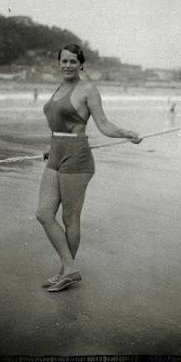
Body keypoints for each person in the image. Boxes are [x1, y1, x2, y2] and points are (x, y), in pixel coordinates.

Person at [36, 44, 142, 292]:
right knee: (43, 213)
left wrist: (127, 133)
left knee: (69, 217)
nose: (68, 65)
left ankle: (66, 271)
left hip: (77, 156)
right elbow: (59, 123)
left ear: (81, 64)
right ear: (58, 63)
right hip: (56, 152)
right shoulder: (60, 87)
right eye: (64, 61)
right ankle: (69, 269)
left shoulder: (88, 89)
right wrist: (52, 147)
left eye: (73, 61)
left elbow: (103, 124)